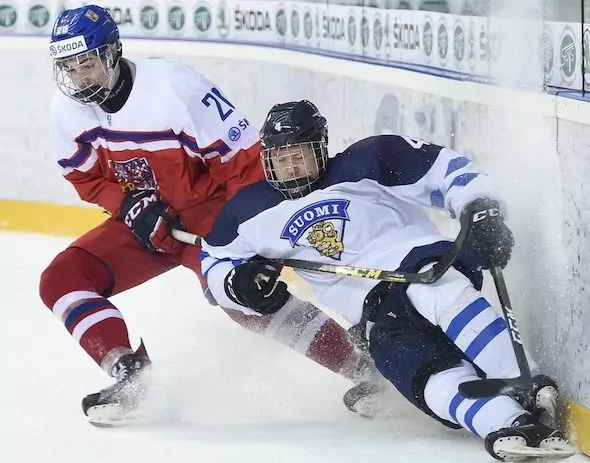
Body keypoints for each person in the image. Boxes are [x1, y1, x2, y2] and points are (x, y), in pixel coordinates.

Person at [39, 6, 382, 426]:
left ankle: (366, 369)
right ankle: (130, 373)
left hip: (212, 214)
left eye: (88, 65)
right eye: (70, 69)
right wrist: (128, 205)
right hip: (149, 223)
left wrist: (250, 237)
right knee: (62, 279)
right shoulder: (65, 109)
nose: (80, 78)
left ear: (112, 53)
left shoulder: (174, 88)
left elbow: (243, 164)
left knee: (243, 297)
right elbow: (84, 175)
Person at [199, 100, 575, 460]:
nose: (291, 168)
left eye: (299, 156)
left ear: (321, 148)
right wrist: (239, 284)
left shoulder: (368, 160)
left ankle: (529, 385)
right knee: (423, 375)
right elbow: (215, 265)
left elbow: (449, 169)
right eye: (281, 160)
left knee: (436, 292)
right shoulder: (249, 212)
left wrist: (481, 209)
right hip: (376, 317)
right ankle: (508, 425)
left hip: (419, 266)